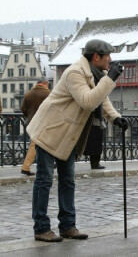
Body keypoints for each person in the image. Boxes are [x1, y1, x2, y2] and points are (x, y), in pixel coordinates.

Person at [27, 39, 129, 242]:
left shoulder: (97, 74)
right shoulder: (75, 73)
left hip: (68, 134)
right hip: (50, 130)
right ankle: (41, 228)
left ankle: (67, 226)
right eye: (107, 55)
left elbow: (102, 100)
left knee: (67, 181)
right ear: (96, 57)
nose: (110, 59)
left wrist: (115, 117)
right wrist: (111, 80)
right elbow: (88, 101)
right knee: (44, 180)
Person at [20, 79, 51, 176]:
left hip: (31, 122)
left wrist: (29, 116)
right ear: (45, 84)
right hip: (43, 122)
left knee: (42, 143)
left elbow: (23, 109)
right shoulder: (48, 93)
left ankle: (48, 163)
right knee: (36, 144)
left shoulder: (28, 94)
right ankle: (25, 167)